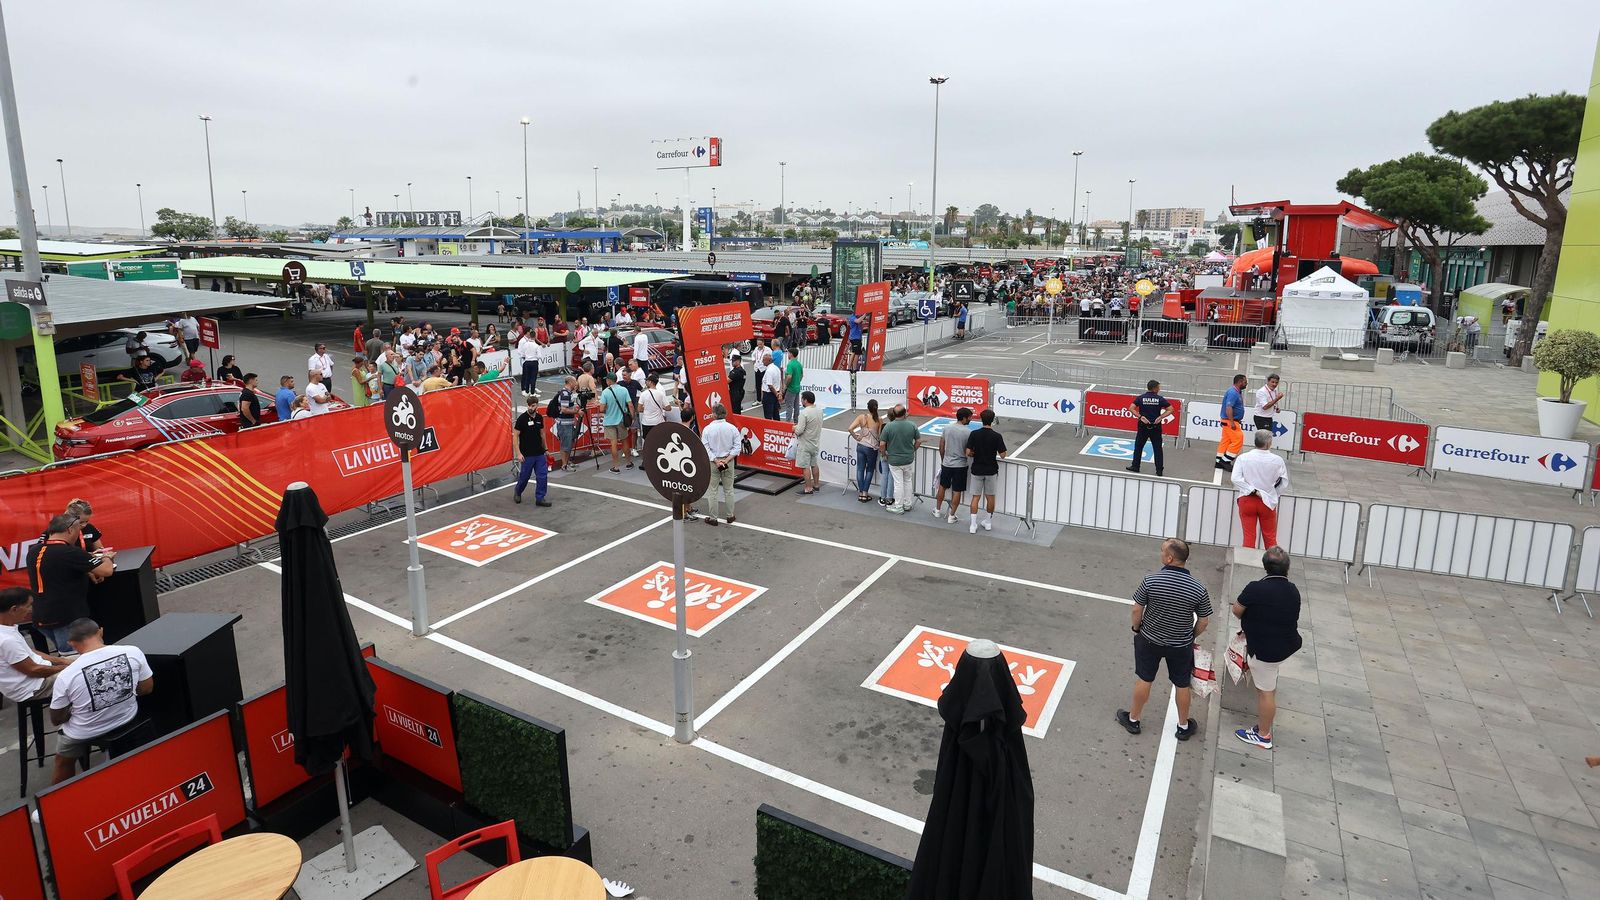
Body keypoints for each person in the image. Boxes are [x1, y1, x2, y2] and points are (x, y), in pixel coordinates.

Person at [1117, 538, 1211, 742]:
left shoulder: (1151, 581)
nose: (1160, 554)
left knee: (1145, 678)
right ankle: (1183, 726)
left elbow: (1136, 610)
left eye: (1162, 551)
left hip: (1149, 639)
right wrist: (1190, 636)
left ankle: (1133, 720)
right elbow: (1204, 621)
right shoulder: (1198, 588)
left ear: (1169, 558)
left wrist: (1136, 628)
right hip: (1180, 645)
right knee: (1182, 683)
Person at [49, 618, 154, 783]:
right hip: (126, 719)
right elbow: (147, 688)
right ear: (101, 632)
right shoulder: (133, 652)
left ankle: (59, 795)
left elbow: (56, 719)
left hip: (84, 731)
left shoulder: (66, 675)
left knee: (63, 761)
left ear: (71, 644)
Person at [1232, 547, 1302, 751]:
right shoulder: (1293, 590)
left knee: (1265, 693)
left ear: (1265, 567)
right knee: (1267, 685)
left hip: (1265, 651)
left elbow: (1237, 609)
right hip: (1286, 644)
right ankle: (1263, 726)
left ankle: (1263, 735)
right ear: (1287, 568)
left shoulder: (1255, 588)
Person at [25, 515, 114, 653]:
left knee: (65, 655)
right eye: (78, 531)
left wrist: (86, 570)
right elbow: (106, 571)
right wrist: (107, 557)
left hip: (41, 615)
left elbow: (58, 570)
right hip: (66, 617)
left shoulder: (33, 551)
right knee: (74, 657)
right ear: (70, 530)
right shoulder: (70, 552)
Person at [0, 588, 72, 707]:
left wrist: (62, 660)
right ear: (14, 609)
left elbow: (29, 652)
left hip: (38, 675)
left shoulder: (8, 628)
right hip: (34, 687)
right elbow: (33, 670)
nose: (31, 610)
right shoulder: (6, 640)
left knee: (86, 659)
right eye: (28, 606)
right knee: (86, 673)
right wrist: (65, 667)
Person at [1232, 429, 1289, 548]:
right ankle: (1273, 560)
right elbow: (1283, 482)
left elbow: (1235, 478)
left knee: (1249, 537)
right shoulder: (1278, 460)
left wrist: (1251, 490)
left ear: (1255, 441)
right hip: (1267, 500)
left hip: (1247, 499)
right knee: (1270, 538)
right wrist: (1273, 494)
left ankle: (1246, 559)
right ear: (1269, 443)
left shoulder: (1243, 458)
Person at [964, 409, 1008, 533]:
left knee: (975, 497)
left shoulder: (974, 434)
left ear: (981, 419)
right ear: (992, 420)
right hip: (991, 469)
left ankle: (973, 525)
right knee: (990, 497)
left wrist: (975, 453)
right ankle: (988, 522)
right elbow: (1003, 455)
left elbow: (968, 452)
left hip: (977, 469)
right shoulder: (997, 436)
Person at [700, 404, 740, 525]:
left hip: (713, 463)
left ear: (714, 414)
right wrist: (726, 460)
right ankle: (730, 515)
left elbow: (705, 448)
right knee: (729, 490)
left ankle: (713, 518)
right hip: (728, 461)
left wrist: (716, 460)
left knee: (712, 491)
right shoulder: (732, 428)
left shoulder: (707, 429)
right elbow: (737, 447)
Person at [932, 408, 972, 524]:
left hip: (947, 463)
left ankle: (937, 510)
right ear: (964, 418)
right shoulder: (968, 432)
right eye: (969, 417)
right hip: (961, 464)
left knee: (942, 486)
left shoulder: (947, 428)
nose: (970, 419)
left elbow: (941, 446)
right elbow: (968, 450)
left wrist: (943, 460)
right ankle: (952, 515)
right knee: (957, 490)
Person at [513, 395, 553, 507]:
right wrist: (518, 453)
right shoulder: (522, 419)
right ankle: (518, 491)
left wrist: (546, 449)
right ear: (528, 406)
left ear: (537, 406)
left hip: (539, 453)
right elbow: (515, 437)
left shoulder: (539, 418)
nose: (532, 408)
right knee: (525, 477)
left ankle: (540, 498)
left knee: (542, 476)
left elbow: (542, 434)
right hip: (527, 454)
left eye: (534, 406)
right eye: (530, 406)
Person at [1126, 380, 1171, 477]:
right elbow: (1170, 409)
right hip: (1156, 426)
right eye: (1158, 387)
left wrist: (1140, 417)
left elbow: (1131, 408)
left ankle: (1135, 466)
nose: (1159, 389)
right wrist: (1161, 417)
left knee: (1139, 446)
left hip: (1143, 426)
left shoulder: (1141, 398)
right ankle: (1159, 470)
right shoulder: (1160, 399)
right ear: (1154, 388)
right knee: (1157, 448)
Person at [880, 405, 920, 514]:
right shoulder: (912, 425)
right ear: (905, 413)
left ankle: (898, 506)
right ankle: (907, 504)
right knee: (908, 481)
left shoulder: (888, 426)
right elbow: (918, 441)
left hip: (894, 460)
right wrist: (912, 450)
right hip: (908, 458)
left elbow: (882, 444)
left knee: (898, 483)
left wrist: (884, 454)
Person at [848, 400, 884, 504]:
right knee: (870, 470)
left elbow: (850, 428)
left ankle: (861, 493)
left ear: (868, 407)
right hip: (872, 447)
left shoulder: (862, 417)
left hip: (861, 445)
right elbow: (880, 436)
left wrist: (856, 437)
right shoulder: (879, 420)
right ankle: (865, 493)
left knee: (860, 469)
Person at [599, 372, 634, 473]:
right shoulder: (624, 390)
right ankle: (628, 463)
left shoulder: (605, 392)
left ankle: (616, 467)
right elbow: (630, 405)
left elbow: (601, 409)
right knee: (625, 441)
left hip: (609, 421)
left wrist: (607, 408)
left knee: (613, 444)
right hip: (621, 420)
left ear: (609, 381)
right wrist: (632, 417)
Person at [793, 391, 823, 494]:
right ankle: (816, 485)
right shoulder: (819, 410)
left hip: (805, 443)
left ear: (805, 400)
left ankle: (808, 488)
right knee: (814, 464)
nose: (801, 401)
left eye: (802, 399)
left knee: (805, 467)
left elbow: (799, 431)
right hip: (815, 442)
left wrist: (794, 428)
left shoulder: (804, 413)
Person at [1215, 373, 1247, 472]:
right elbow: (1229, 407)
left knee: (1226, 440)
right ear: (1240, 382)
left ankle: (1219, 461)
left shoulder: (1235, 391)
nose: (1246, 383)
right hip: (1230, 421)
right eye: (1245, 382)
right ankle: (1225, 461)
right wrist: (1232, 422)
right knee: (1238, 439)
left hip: (1229, 420)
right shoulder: (1233, 392)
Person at [638, 373, 677, 442]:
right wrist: (661, 407)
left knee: (648, 441)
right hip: (658, 422)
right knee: (659, 441)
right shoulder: (660, 394)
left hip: (646, 422)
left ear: (651, 382)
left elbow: (639, 409)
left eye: (647, 381)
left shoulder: (643, 394)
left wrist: (647, 409)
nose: (646, 382)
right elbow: (669, 408)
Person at [553, 375, 580, 471]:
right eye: (575, 381)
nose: (576, 383)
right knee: (565, 445)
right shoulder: (565, 394)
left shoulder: (568, 393)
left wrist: (574, 417)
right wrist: (576, 412)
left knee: (569, 444)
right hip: (564, 424)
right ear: (570, 382)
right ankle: (564, 465)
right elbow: (564, 409)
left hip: (568, 422)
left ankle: (567, 462)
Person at [760, 351, 783, 421]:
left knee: (768, 416)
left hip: (769, 395)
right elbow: (780, 381)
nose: (762, 361)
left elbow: (770, 385)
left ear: (769, 361)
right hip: (776, 393)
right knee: (776, 414)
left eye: (764, 360)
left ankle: (769, 427)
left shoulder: (769, 371)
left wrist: (776, 394)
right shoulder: (776, 368)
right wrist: (779, 393)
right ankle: (778, 426)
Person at [783, 350, 804, 422]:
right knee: (796, 406)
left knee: (789, 406)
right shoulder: (799, 364)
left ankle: (787, 422)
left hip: (791, 388)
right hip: (797, 387)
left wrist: (786, 385)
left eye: (788, 353)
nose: (788, 355)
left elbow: (789, 376)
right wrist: (797, 382)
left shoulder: (790, 364)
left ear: (791, 354)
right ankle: (796, 421)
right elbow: (801, 375)